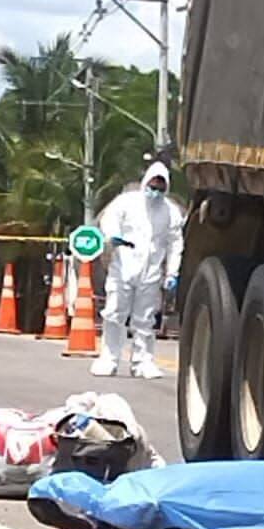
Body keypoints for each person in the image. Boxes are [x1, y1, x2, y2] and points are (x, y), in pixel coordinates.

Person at [90, 161, 183, 379]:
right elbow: (110, 219)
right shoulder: (127, 202)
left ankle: (143, 362)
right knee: (114, 314)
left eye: (160, 188)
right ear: (145, 182)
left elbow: (175, 244)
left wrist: (172, 273)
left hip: (151, 273)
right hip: (122, 267)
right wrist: (112, 236)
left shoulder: (170, 212)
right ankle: (109, 359)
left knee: (145, 320)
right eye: (152, 186)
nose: (155, 191)